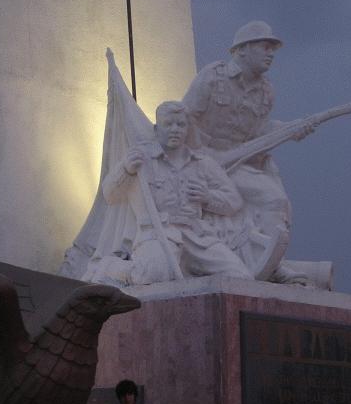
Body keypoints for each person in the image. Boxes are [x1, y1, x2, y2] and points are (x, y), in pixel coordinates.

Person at [183, 20, 312, 283]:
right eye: (265, 47)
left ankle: (272, 263)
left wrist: (290, 129)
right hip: (202, 159)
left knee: (275, 199)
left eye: (272, 48)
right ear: (242, 49)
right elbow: (184, 118)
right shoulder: (213, 76)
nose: (271, 53)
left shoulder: (266, 91)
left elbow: (259, 133)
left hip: (239, 160)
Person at [83, 101, 252, 286]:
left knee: (241, 277)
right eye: (168, 124)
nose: (175, 129)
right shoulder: (141, 159)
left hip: (197, 237)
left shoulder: (202, 163)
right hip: (158, 234)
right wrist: (126, 169)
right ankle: (109, 266)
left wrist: (208, 198)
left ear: (187, 129)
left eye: (180, 124)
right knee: (149, 276)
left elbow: (234, 201)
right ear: (157, 129)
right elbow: (109, 194)